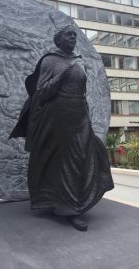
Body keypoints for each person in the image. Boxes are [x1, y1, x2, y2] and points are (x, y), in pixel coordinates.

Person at [10, 24, 114, 231]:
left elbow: (82, 92)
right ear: (59, 40)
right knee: (65, 161)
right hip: (57, 118)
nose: (73, 38)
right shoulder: (50, 60)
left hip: (79, 116)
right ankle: (71, 209)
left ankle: (75, 202)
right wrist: (61, 76)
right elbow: (41, 93)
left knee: (87, 156)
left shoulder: (78, 60)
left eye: (74, 35)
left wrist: (86, 113)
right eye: (69, 35)